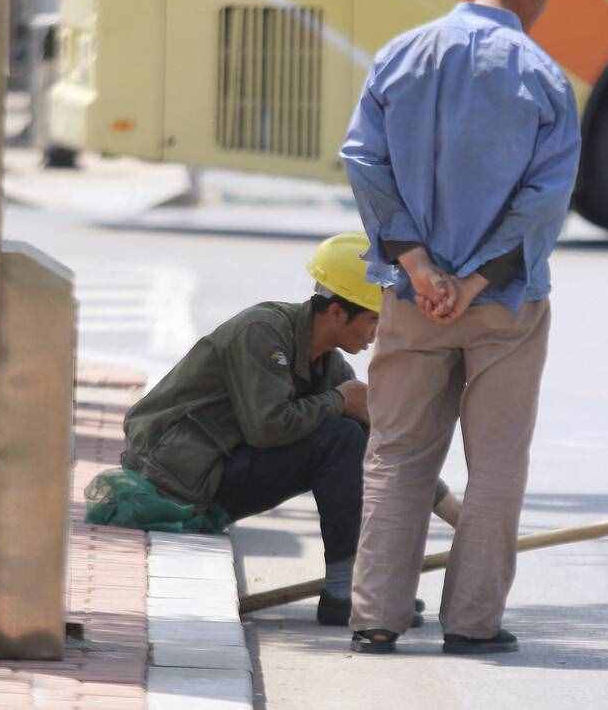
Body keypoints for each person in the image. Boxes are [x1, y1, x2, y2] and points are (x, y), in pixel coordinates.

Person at [342, 0, 580, 655]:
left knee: (396, 453)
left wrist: (418, 268)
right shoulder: (542, 77)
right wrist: (473, 281)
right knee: (496, 464)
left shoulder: (399, 55)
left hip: (412, 301)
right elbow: (543, 202)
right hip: (502, 304)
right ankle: (473, 622)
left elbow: (364, 162)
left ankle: (375, 618)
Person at [119, 233, 458, 626]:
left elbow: (386, 442)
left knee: (353, 433)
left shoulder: (328, 364)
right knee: (341, 437)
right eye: (371, 320)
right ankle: (342, 589)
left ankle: (363, 585)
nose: (376, 333)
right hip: (175, 475)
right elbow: (267, 427)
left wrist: (462, 520)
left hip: (216, 470)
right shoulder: (262, 333)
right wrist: (338, 401)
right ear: (335, 312)